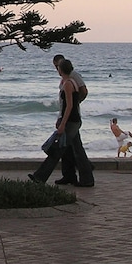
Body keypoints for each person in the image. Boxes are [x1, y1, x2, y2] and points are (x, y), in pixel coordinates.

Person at [28, 58, 94, 187]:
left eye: (57, 67)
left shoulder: (69, 83)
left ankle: (40, 177)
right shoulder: (69, 82)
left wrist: (63, 123)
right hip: (73, 120)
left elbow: (69, 106)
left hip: (71, 121)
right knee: (75, 150)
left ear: (61, 69)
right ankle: (83, 177)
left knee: (57, 150)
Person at [51, 54, 89, 185]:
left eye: (58, 66)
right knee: (67, 149)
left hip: (71, 119)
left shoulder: (72, 77)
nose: (56, 69)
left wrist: (75, 104)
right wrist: (60, 118)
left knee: (76, 149)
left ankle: (86, 177)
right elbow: (64, 104)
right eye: (55, 66)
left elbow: (83, 92)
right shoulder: (64, 80)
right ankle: (69, 175)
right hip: (67, 118)